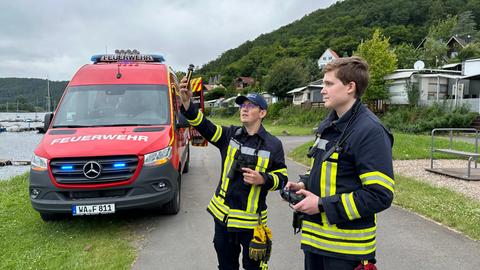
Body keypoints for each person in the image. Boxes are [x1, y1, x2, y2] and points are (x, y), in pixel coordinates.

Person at [285, 56, 394, 270]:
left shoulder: (370, 131)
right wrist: (304, 184)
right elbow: (329, 169)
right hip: (316, 245)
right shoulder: (330, 124)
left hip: (347, 252)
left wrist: (321, 205)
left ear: (350, 87)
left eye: (329, 84)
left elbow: (380, 195)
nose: (323, 90)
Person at [179, 80, 288, 270]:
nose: (244, 109)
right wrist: (188, 104)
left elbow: (282, 178)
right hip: (223, 220)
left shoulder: (273, 144)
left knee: (254, 268)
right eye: (242, 105)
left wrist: (263, 179)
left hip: (252, 224)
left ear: (262, 113)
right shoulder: (229, 135)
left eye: (250, 106)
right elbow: (203, 125)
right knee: (226, 266)